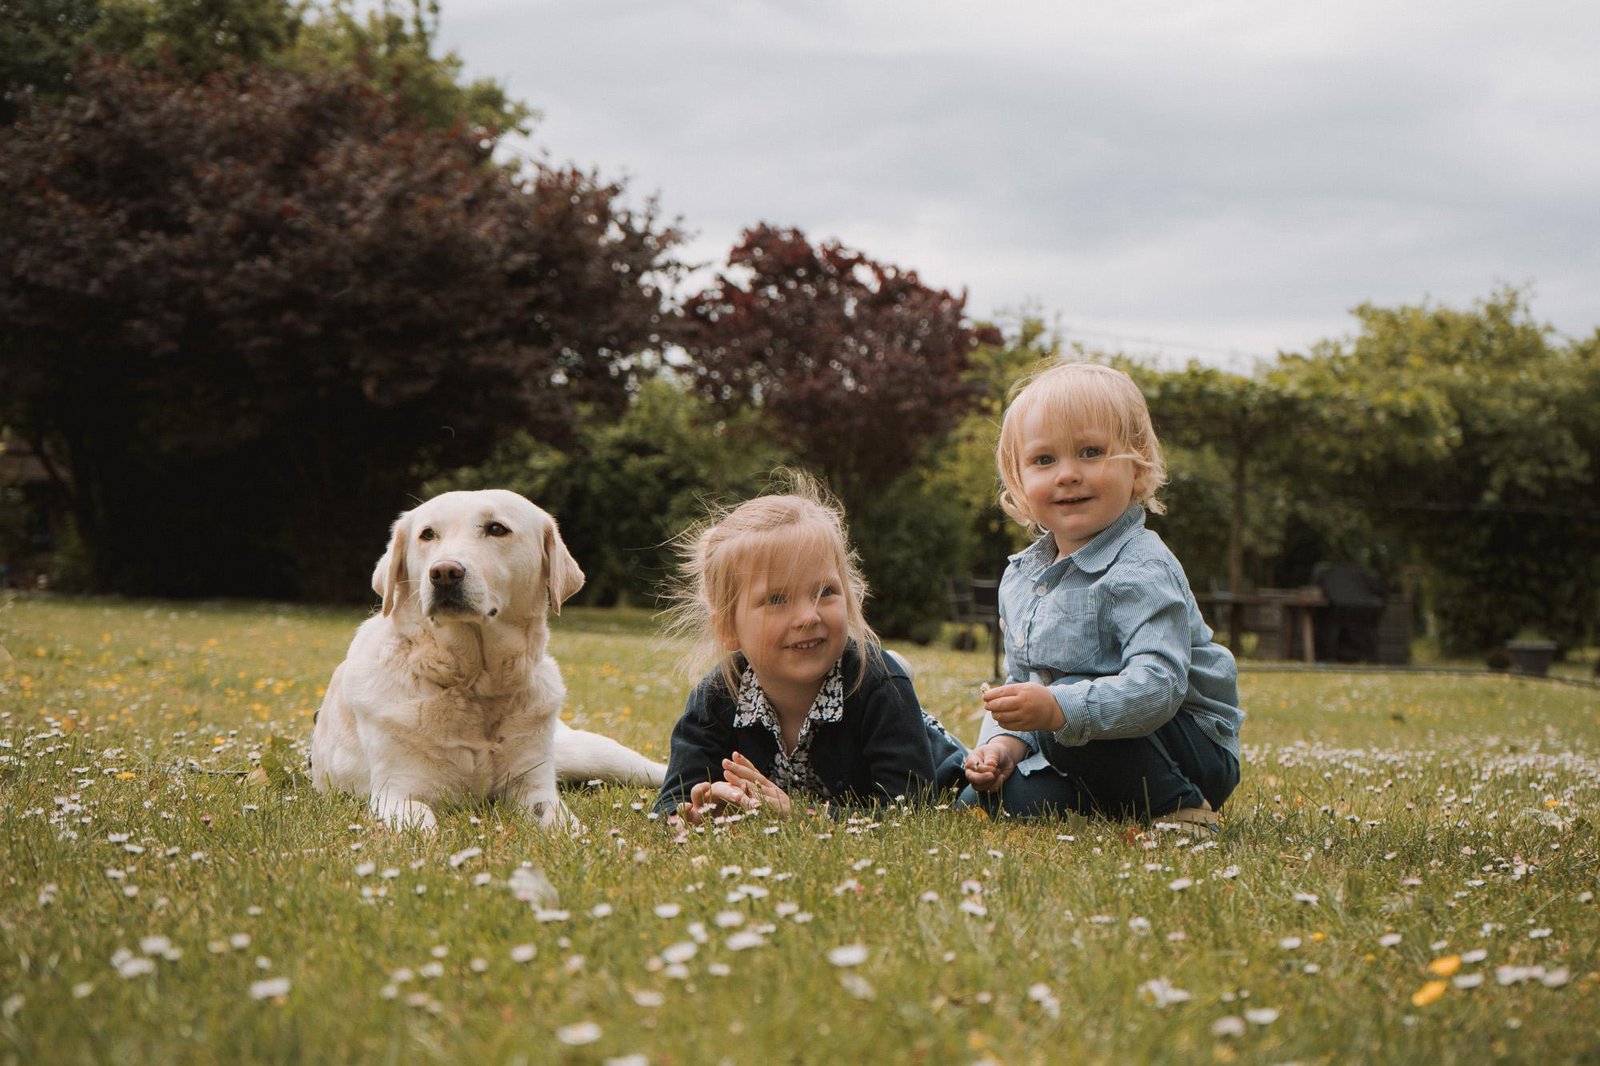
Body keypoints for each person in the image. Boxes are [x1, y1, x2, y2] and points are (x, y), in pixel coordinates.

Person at [958, 363, 1242, 835]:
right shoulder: (1023, 577)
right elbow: (1025, 681)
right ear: (1018, 477)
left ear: (1138, 464)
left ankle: (1180, 805)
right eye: (1044, 460)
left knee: (1068, 720)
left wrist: (1057, 708)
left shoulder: (1141, 567)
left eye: (1091, 452)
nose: (1068, 474)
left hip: (1186, 745)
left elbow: (1159, 686)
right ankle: (1115, 799)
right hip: (1090, 743)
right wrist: (1004, 744)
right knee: (992, 798)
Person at [653, 474, 967, 825]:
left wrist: (803, 815)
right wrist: (694, 808)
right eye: (776, 599)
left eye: (825, 592)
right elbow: (673, 797)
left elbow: (910, 812)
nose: (807, 615)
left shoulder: (880, 685)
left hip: (948, 772)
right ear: (728, 627)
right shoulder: (717, 694)